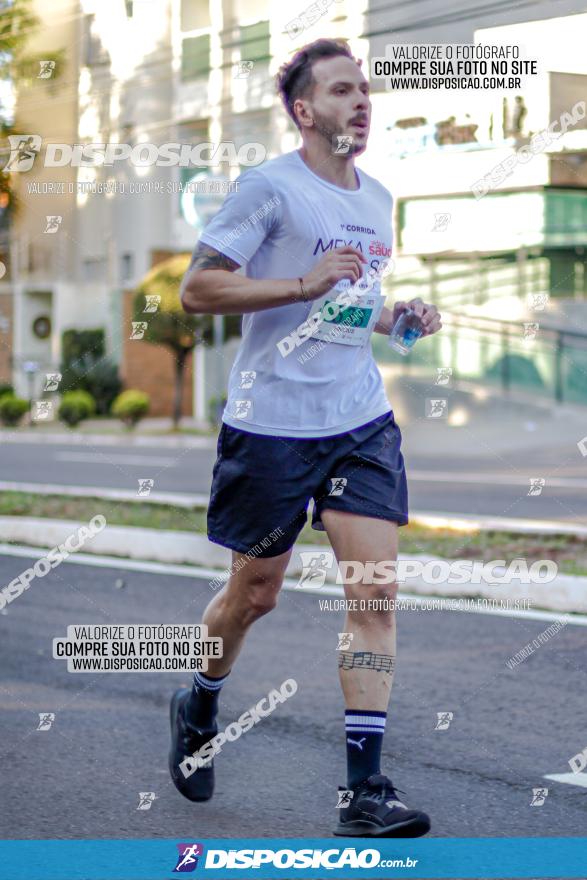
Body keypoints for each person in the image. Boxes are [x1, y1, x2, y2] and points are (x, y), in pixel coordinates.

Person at [170, 37, 441, 838]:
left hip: (357, 422)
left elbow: (353, 302)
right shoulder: (268, 190)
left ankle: (364, 792)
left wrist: (398, 316)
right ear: (302, 110)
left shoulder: (379, 196)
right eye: (340, 90)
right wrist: (298, 282)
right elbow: (196, 289)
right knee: (255, 593)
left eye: (363, 90)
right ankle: (201, 698)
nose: (360, 102)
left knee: (375, 592)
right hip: (271, 427)